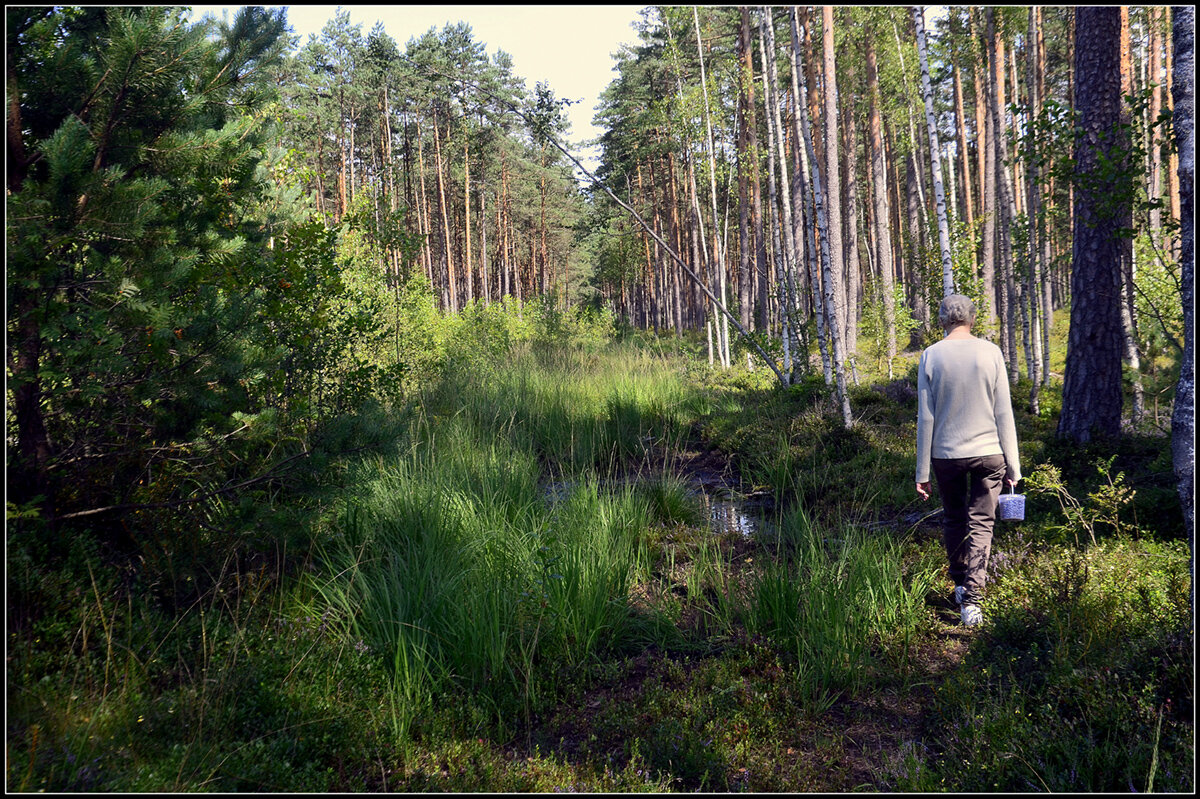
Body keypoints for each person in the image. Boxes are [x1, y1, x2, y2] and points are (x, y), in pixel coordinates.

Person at [915, 294, 1020, 627]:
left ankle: (961, 585)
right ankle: (973, 600)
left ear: (943, 319)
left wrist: (921, 471)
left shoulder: (931, 356)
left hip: (946, 456)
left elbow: (926, 417)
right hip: (990, 455)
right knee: (981, 524)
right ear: (972, 319)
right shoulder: (991, 353)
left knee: (954, 519)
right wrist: (1014, 466)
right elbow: (1004, 412)